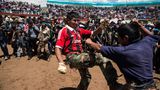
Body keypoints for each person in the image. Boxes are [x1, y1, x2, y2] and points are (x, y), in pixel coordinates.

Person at [85, 20, 158, 90]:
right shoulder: (147, 43)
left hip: (136, 87)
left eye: (118, 36)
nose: (117, 38)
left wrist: (89, 41)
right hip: (151, 86)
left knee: (114, 84)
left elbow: (98, 47)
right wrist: (140, 26)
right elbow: (151, 36)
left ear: (125, 38)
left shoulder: (122, 51)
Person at [55, 11, 107, 90]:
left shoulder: (79, 30)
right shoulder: (63, 31)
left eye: (78, 20)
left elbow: (93, 33)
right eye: (74, 20)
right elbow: (58, 47)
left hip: (80, 56)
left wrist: (101, 28)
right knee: (101, 58)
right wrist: (61, 62)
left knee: (87, 78)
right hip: (72, 57)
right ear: (68, 21)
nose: (76, 22)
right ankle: (113, 84)